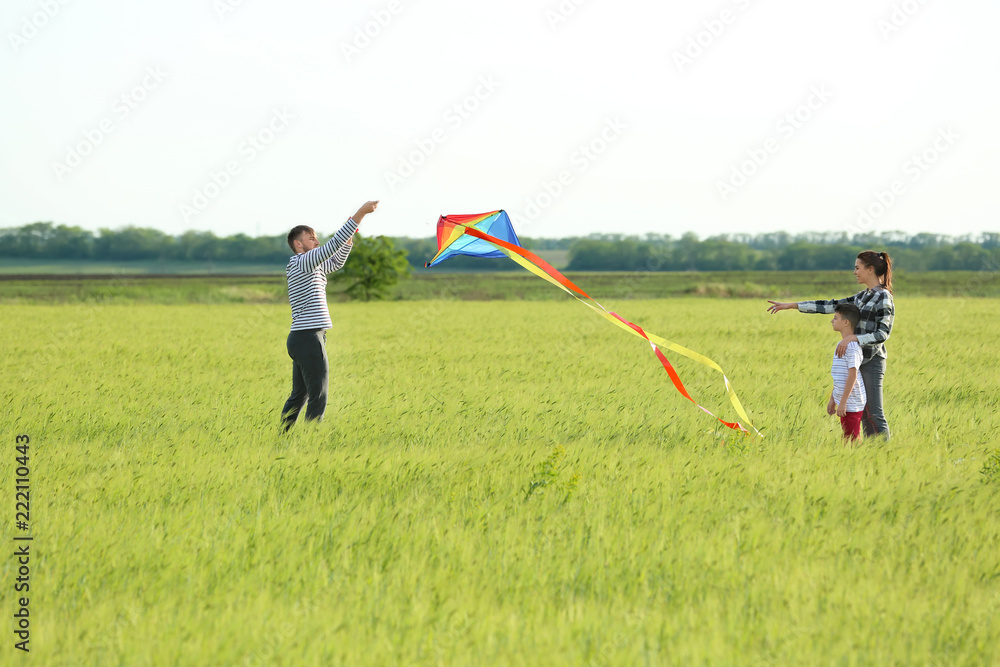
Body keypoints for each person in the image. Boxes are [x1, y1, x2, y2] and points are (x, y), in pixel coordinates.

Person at [766, 250, 895, 439]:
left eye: (857, 268)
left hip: (873, 361)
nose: (854, 272)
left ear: (870, 269)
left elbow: (883, 333)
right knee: (864, 414)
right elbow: (830, 305)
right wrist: (793, 305)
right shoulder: (862, 296)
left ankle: (885, 455)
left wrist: (854, 338)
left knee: (874, 413)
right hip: (857, 360)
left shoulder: (883, 297)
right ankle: (871, 454)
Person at [280, 200, 379, 431]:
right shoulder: (301, 262)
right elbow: (332, 246)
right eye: (311, 237)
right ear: (298, 244)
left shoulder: (312, 266)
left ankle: (282, 438)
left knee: (300, 395)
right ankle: (312, 439)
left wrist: (350, 234)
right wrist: (360, 214)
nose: (317, 240)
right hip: (307, 337)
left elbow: (336, 260)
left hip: (305, 338)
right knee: (319, 394)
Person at [827, 303, 867, 441]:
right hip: (845, 402)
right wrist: (833, 400)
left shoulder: (852, 347)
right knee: (848, 436)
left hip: (852, 403)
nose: (832, 320)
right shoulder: (841, 345)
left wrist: (843, 403)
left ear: (845, 322)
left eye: (835, 317)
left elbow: (852, 375)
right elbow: (840, 377)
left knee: (851, 439)